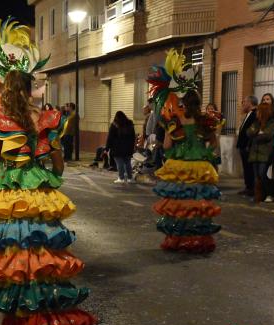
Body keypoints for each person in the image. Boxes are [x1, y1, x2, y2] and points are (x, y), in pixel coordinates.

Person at [0, 10, 96, 325]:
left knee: (18, 255)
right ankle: (49, 315)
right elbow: (58, 161)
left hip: (12, 195)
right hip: (41, 193)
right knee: (45, 252)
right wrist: (56, 177)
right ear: (29, 87)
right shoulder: (48, 118)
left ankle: (25, 318)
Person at [148, 49, 221, 253]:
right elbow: (214, 143)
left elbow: (169, 146)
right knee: (198, 204)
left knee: (180, 204)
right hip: (200, 166)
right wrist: (205, 153)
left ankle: (178, 240)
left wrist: (166, 150)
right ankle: (198, 240)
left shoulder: (175, 122)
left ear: (182, 102)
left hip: (180, 166)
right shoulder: (205, 121)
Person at [247, 103, 274, 203]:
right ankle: (258, 195)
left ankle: (270, 193)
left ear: (263, 112)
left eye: (259, 111)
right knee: (256, 177)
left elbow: (267, 136)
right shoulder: (256, 123)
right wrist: (258, 132)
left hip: (265, 153)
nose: (257, 113)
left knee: (262, 174)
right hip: (254, 153)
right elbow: (248, 132)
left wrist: (257, 134)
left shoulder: (271, 122)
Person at [105, 111, 136, 183]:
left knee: (119, 163)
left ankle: (121, 178)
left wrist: (107, 148)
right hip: (128, 148)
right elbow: (133, 137)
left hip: (117, 148)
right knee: (127, 163)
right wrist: (132, 147)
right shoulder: (129, 124)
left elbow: (110, 138)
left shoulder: (114, 125)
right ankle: (130, 178)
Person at [237, 95, 258, 196]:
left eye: (244, 102)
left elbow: (252, 131)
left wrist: (248, 145)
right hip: (243, 146)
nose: (243, 104)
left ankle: (251, 188)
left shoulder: (255, 114)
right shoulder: (248, 114)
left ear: (250, 103)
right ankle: (248, 187)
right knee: (246, 167)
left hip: (248, 146)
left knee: (249, 168)